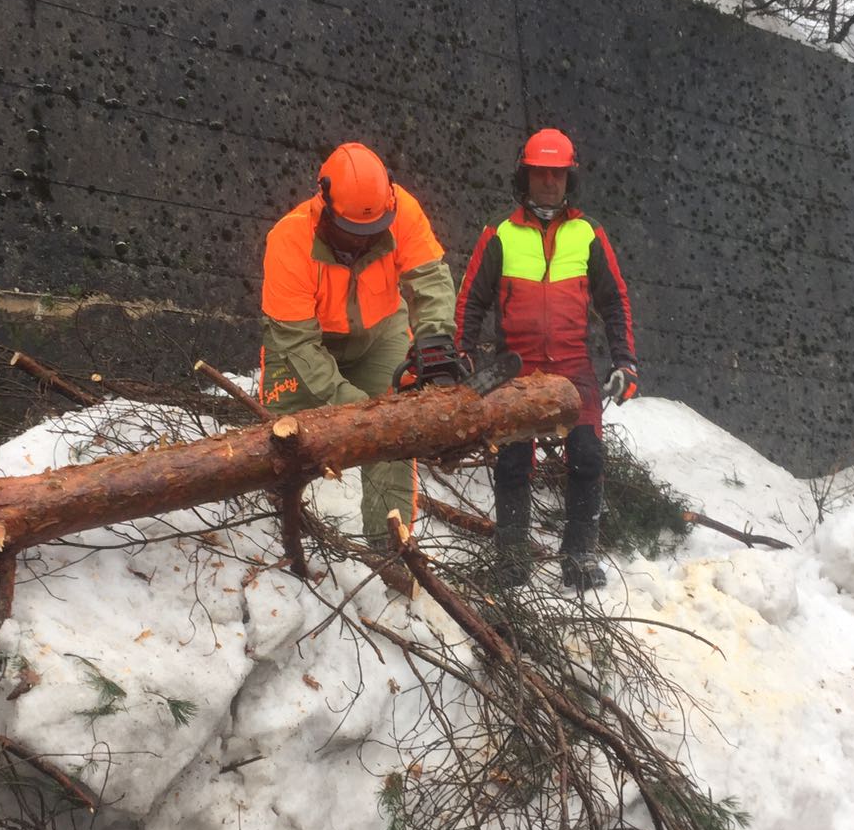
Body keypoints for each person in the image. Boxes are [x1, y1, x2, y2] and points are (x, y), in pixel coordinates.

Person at [454, 128, 639, 590]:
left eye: (557, 174)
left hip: (573, 365)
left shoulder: (588, 233)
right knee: (514, 461)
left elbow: (614, 300)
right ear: (526, 175)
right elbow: (470, 301)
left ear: (568, 178)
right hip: (515, 367)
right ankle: (513, 560)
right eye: (541, 173)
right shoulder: (499, 233)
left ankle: (578, 558)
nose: (549, 183)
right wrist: (463, 354)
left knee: (588, 457)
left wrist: (625, 362)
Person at [259, 142, 464, 550]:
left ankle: (389, 551)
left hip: (380, 331)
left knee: (397, 433)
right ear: (326, 206)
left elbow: (430, 280)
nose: (364, 241)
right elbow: (299, 342)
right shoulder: (289, 239)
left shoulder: (401, 209)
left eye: (373, 231)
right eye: (353, 232)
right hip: (305, 343)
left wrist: (436, 345)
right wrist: (354, 405)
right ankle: (272, 527)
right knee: (281, 442)